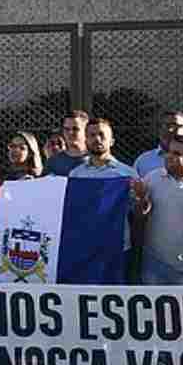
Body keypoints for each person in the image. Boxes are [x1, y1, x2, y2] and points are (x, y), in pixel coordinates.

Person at [131, 134, 183, 285]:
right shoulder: (151, 179)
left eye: (176, 153)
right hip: (154, 265)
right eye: (168, 152)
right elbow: (139, 216)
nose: (169, 156)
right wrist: (141, 198)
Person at [69, 118, 139, 279]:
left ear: (112, 140)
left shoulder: (127, 174)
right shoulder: (76, 174)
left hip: (117, 248)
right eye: (92, 135)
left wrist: (141, 197)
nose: (97, 139)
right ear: (85, 140)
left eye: (102, 134)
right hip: (85, 248)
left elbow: (137, 211)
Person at [44, 109, 90, 176]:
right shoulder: (53, 162)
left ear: (86, 130)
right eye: (67, 129)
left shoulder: (97, 160)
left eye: (75, 129)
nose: (70, 133)